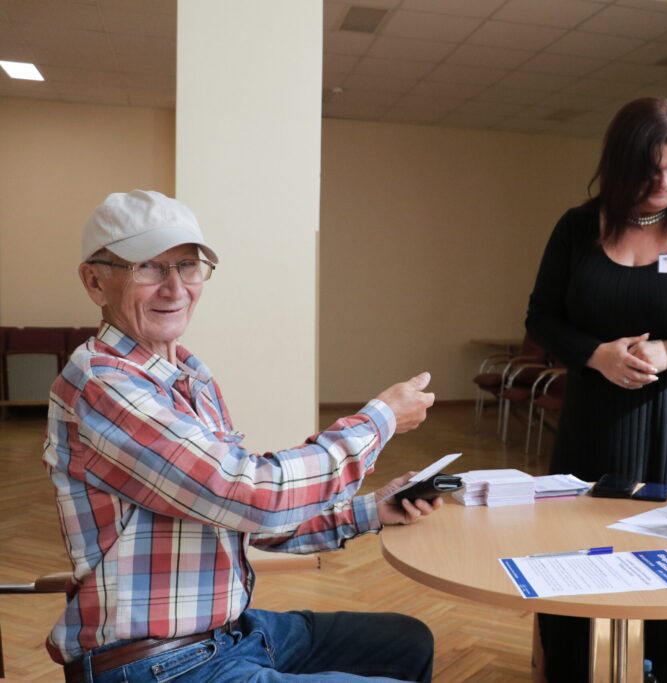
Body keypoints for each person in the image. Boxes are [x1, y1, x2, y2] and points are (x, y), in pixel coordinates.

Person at [44, 189, 441, 683]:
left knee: (407, 640)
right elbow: (253, 495)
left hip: (228, 634)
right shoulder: (102, 384)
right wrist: (380, 421)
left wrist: (372, 510)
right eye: (148, 267)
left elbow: (244, 519)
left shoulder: (190, 377)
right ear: (94, 282)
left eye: (187, 265)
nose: (175, 287)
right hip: (155, 664)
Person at [525, 97, 667, 683]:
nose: (664, 184)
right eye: (649, 172)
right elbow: (541, 318)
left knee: (666, 570)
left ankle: (657, 671)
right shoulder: (577, 228)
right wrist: (596, 354)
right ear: (619, 166)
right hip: (592, 430)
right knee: (578, 562)